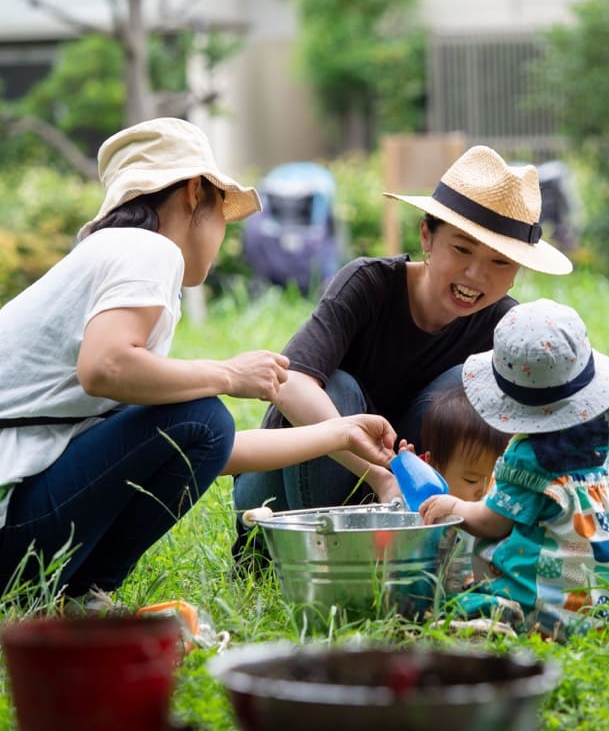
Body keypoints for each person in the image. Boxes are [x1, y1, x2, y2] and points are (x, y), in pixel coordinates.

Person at [0, 117, 398, 602]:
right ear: (194, 193)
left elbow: (211, 449)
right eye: (223, 216)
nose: (224, 234)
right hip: (12, 524)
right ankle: (84, 594)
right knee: (203, 416)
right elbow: (104, 367)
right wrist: (229, 375)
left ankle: (69, 595)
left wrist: (340, 433)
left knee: (203, 421)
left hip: (17, 521)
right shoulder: (146, 250)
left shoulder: (110, 259)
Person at [232, 146, 573, 563]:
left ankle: (427, 549)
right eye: (462, 250)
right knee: (336, 386)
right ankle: (328, 559)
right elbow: (290, 383)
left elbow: (547, 422)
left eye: (499, 262)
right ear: (427, 237)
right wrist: (379, 476)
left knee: (472, 383)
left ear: (518, 270)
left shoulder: (506, 327)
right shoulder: (368, 284)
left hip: (404, 505)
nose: (475, 276)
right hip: (289, 499)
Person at [420, 298, 609, 640]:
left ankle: (502, 618)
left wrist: (456, 507)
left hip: (548, 607)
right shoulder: (604, 448)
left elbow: (492, 523)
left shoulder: (529, 457)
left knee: (449, 602)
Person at [419, 385, 511, 594]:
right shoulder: (428, 505)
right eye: (471, 480)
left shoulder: (499, 512)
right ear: (434, 467)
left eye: (495, 480)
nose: (484, 491)